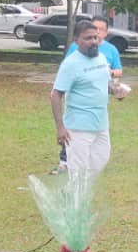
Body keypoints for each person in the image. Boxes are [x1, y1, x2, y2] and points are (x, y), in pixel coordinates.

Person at [51, 21, 123, 174]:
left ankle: (77, 189)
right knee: (78, 171)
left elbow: (106, 83)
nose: (93, 41)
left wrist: (116, 90)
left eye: (95, 37)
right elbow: (56, 94)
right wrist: (60, 127)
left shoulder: (101, 58)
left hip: (101, 123)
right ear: (76, 40)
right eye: (88, 38)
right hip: (78, 126)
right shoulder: (70, 64)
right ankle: (74, 190)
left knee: (100, 162)